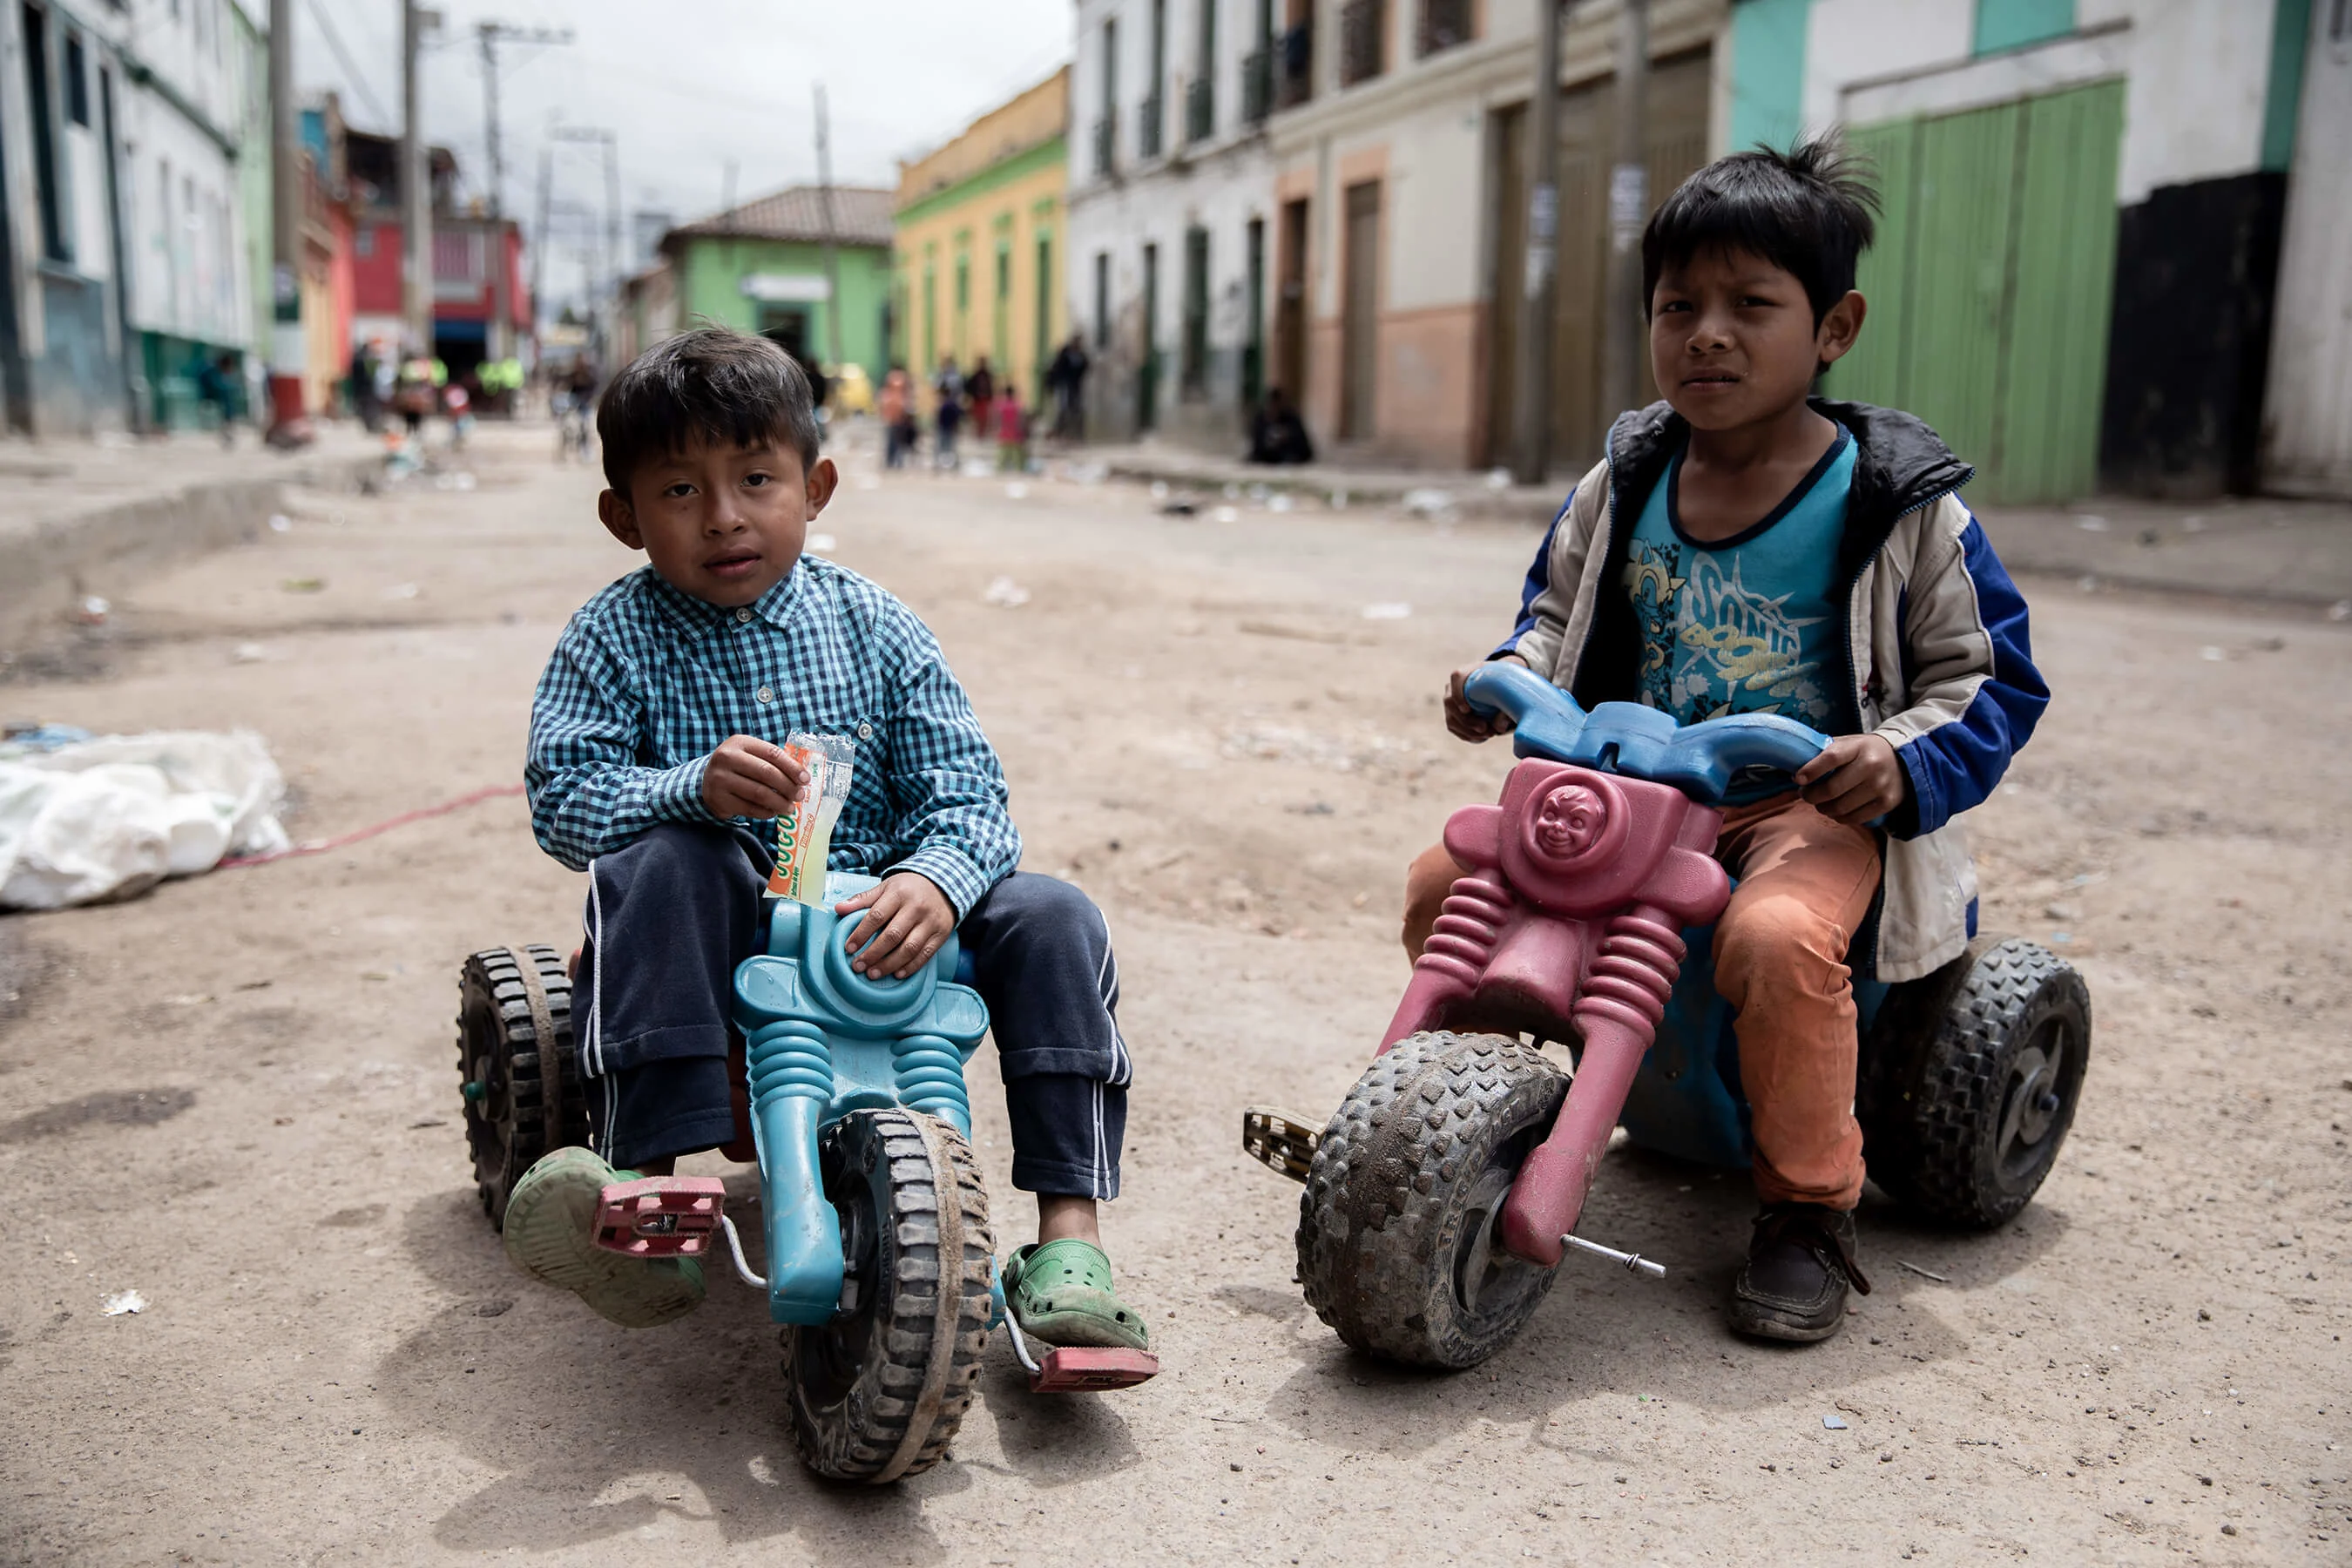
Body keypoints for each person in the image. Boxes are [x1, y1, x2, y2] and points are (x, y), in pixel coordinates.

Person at [1410, 139, 2047, 1345]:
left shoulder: (1897, 504)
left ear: (1833, 328)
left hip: (1797, 803)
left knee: (1776, 935)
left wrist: (1897, 761)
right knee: (1451, 881)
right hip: (1635, 783)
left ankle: (1808, 1209)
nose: (1707, 334)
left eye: (1751, 306)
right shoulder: (1627, 477)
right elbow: (1556, 616)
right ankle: (1467, 1114)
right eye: (1677, 307)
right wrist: (1504, 684)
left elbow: (1989, 676)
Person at [508, 327, 1152, 1352]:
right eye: (679, 493)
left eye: (756, 478)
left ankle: (1069, 1239)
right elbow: (563, 802)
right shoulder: (611, 637)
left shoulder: (878, 627)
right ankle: (659, 1199)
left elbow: (974, 799)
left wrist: (936, 881)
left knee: (1055, 915)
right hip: (722, 946)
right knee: (672, 857)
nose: (723, 518)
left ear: (815, 487)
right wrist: (691, 789)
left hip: (887, 927)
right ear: (622, 518)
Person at [1247, 386, 1315, 465]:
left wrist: (1286, 435)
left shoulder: (1291, 418)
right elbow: (1257, 442)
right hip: (1267, 454)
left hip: (1287, 454)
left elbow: (1303, 444)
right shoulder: (1260, 419)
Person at [1046, 333, 1090, 441]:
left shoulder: (1081, 355)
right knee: (1063, 408)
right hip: (1063, 385)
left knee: (1077, 408)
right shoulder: (1065, 354)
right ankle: (1060, 431)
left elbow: (1085, 367)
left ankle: (1076, 433)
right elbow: (1056, 369)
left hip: (1075, 386)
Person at [878, 365, 915, 470]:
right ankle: (894, 461)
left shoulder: (891, 393)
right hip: (895, 419)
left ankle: (894, 461)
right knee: (896, 442)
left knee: (895, 442)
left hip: (895, 419)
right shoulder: (897, 394)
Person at [932, 355, 964, 470]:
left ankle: (951, 463)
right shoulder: (942, 375)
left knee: (949, 444)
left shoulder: (954, 377)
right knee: (944, 443)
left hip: (948, 423)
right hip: (945, 423)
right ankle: (941, 462)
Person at [996, 382, 1029, 472]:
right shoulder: (1018, 405)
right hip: (1015, 433)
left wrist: (997, 430)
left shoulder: (1001, 406)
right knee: (1017, 456)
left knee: (1002, 456)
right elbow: (1021, 420)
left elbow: (998, 420)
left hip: (1004, 433)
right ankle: (1019, 471)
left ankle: (1000, 471)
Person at [964, 355, 996, 447]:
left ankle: (983, 434)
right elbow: (969, 386)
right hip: (977, 400)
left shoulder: (988, 375)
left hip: (985, 400)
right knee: (978, 418)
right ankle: (978, 434)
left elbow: (991, 387)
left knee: (985, 418)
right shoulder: (976, 375)